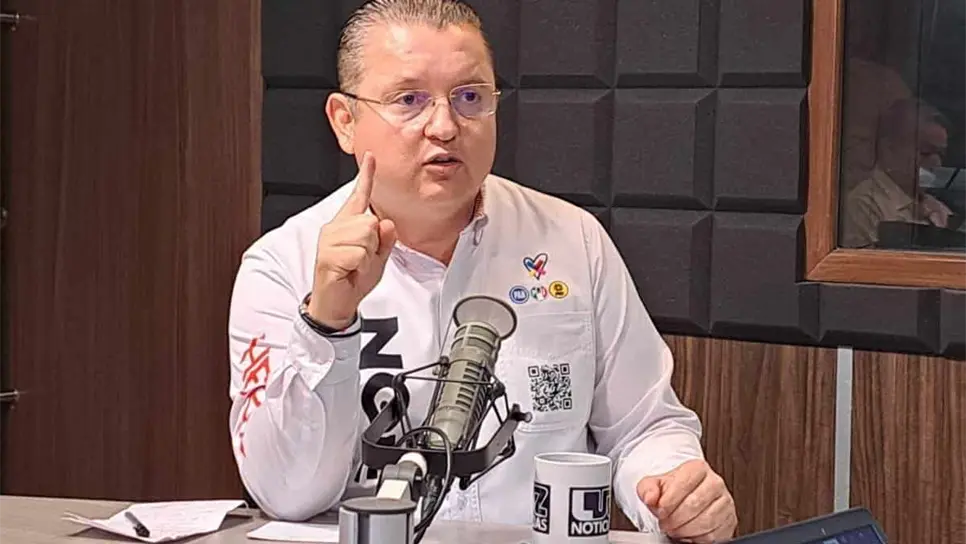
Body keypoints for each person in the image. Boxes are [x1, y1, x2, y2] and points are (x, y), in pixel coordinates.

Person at [227, 0, 737, 541]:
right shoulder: (282, 265)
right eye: (409, 100)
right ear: (345, 121)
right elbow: (286, 494)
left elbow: (642, 426)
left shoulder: (572, 241)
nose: (445, 126)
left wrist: (674, 489)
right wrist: (327, 323)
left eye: (470, 97)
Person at [841, 98, 952, 248]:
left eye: (941, 154)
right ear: (888, 148)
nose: (936, 163)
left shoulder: (939, 210)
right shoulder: (863, 207)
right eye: (925, 152)